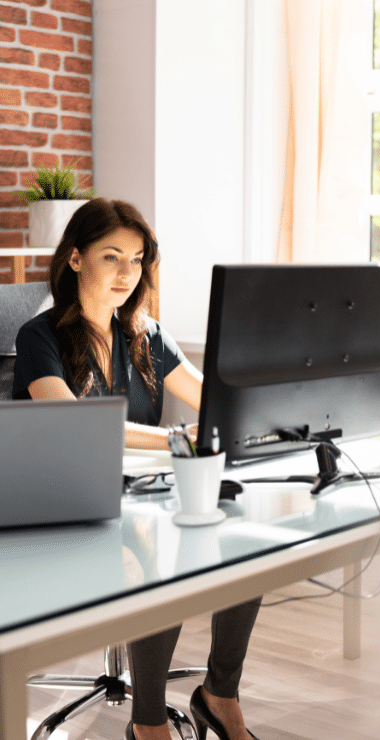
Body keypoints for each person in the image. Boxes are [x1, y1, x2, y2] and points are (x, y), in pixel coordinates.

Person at [13, 198, 261, 740]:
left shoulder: (146, 335)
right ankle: (148, 724)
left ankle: (220, 695)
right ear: (75, 259)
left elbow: (214, 398)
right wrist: (178, 437)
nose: (127, 272)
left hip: (140, 495)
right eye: (111, 257)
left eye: (137, 259)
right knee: (160, 552)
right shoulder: (39, 339)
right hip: (66, 506)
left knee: (248, 540)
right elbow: (77, 422)